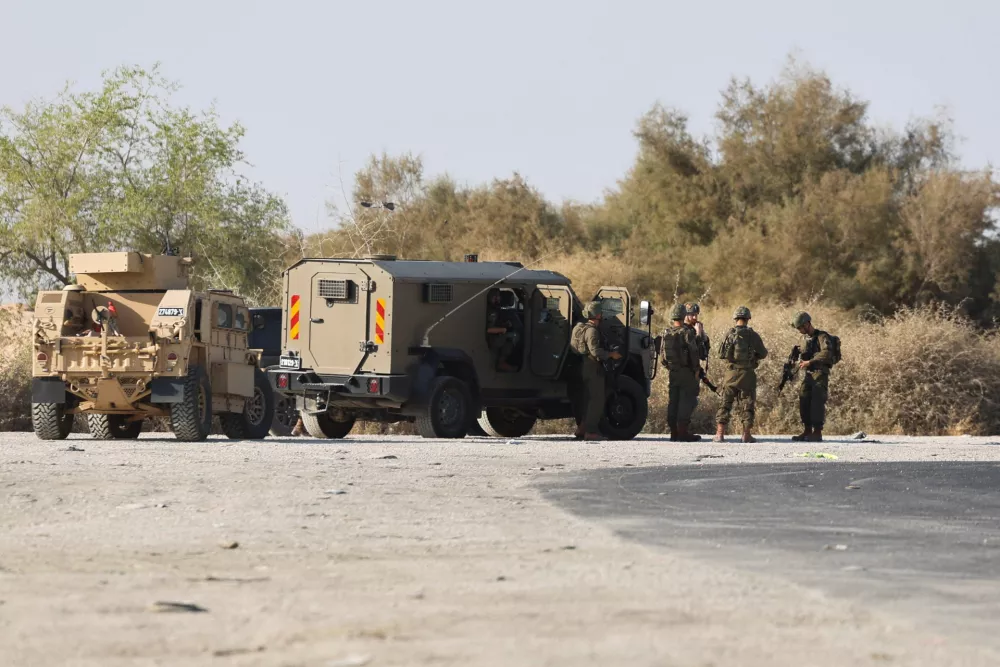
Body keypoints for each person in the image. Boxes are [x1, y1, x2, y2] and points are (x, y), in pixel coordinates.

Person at [714, 306, 768, 443]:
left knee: (725, 403)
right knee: (747, 404)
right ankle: (746, 435)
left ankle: (720, 434)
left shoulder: (729, 334)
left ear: (735, 318)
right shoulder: (753, 335)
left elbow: (721, 354)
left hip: (731, 374)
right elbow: (763, 353)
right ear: (748, 319)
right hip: (747, 374)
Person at [570, 301, 622, 440]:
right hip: (593, 367)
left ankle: (582, 428)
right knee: (596, 400)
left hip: (582, 366)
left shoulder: (578, 328)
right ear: (598, 314)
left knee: (587, 399)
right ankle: (591, 431)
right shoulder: (592, 331)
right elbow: (596, 352)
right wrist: (611, 355)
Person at [790, 311, 837, 442]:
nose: (799, 330)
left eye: (800, 327)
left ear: (807, 324)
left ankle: (817, 432)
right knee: (804, 399)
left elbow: (826, 353)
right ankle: (807, 430)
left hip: (820, 373)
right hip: (808, 374)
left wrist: (810, 362)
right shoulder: (803, 338)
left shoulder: (822, 336)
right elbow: (802, 353)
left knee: (817, 401)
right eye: (798, 328)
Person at [660, 303, 702, 441]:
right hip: (686, 372)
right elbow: (694, 352)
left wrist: (670, 367)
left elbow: (662, 356)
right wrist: (696, 369)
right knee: (687, 400)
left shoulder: (666, 332)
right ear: (684, 316)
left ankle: (674, 433)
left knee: (674, 400)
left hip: (673, 372)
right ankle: (683, 433)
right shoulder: (687, 332)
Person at [486, 289, 522, 372]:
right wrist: (503, 329)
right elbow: (489, 329)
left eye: (498, 295)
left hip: (496, 335)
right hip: (492, 339)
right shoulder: (492, 312)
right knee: (514, 336)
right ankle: (501, 362)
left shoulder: (495, 308)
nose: (498, 298)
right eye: (495, 296)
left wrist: (504, 325)